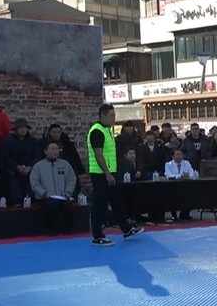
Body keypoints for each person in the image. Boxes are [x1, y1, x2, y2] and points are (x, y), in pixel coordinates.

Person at [87, 104, 143, 246]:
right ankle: (97, 236)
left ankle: (126, 230)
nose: (114, 118)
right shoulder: (97, 131)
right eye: (111, 115)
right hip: (100, 173)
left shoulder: (108, 130)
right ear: (103, 115)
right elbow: (98, 155)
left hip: (110, 172)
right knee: (99, 204)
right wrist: (107, 173)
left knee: (116, 202)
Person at [30, 141, 77, 234]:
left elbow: (71, 179)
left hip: (62, 196)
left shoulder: (65, 164)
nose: (55, 151)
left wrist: (68, 191)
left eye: (57, 149)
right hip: (46, 197)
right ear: (45, 151)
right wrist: (44, 193)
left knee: (68, 207)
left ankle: (69, 230)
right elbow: (34, 183)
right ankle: (50, 229)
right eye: (52, 149)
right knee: (50, 206)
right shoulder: (38, 166)